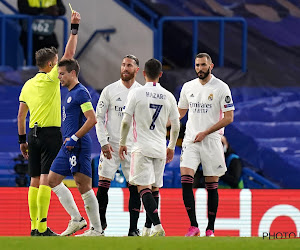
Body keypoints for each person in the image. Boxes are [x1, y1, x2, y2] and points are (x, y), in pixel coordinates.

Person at [17, 11, 81, 236]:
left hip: (32, 135)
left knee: (33, 180)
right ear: (53, 64)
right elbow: (70, 53)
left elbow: (20, 115)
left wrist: (22, 140)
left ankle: (34, 227)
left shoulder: (27, 85)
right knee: (45, 180)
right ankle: (43, 228)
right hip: (50, 134)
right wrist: (74, 28)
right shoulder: (53, 78)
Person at [119, 58, 180, 237]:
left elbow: (125, 121)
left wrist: (123, 142)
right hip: (160, 147)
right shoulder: (168, 95)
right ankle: (147, 229)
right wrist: (171, 147)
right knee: (154, 189)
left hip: (141, 147)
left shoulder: (136, 93)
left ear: (144, 73)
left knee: (142, 188)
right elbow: (176, 125)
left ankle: (158, 226)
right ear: (160, 75)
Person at [178, 53, 235, 237]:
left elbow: (229, 118)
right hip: (191, 140)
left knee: (212, 185)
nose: (199, 68)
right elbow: (179, 113)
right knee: (186, 179)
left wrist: (207, 132)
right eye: (197, 65)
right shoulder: (188, 87)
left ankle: (210, 228)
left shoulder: (221, 88)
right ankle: (193, 226)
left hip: (211, 140)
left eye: (203, 65)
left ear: (211, 66)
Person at [48, 59, 103, 237]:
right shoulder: (70, 93)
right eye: (58, 74)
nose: (59, 77)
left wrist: (74, 137)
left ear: (73, 73)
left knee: (83, 185)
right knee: (52, 179)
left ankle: (96, 230)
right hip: (67, 146)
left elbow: (92, 119)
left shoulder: (81, 93)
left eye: (62, 74)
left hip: (78, 144)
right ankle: (77, 219)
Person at [95, 55, 142, 236]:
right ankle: (100, 225)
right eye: (123, 65)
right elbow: (99, 118)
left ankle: (133, 229)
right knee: (103, 184)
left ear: (136, 70)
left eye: (129, 65)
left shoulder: (141, 92)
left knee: (134, 188)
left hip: (132, 147)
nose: (124, 68)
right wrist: (103, 142)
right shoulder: (109, 90)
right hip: (112, 146)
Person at [18, 0, 66, 65]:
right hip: (30, 36)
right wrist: (44, 10)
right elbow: (23, 8)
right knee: (31, 62)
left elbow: (62, 10)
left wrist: (56, 10)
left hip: (48, 35)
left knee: (49, 63)